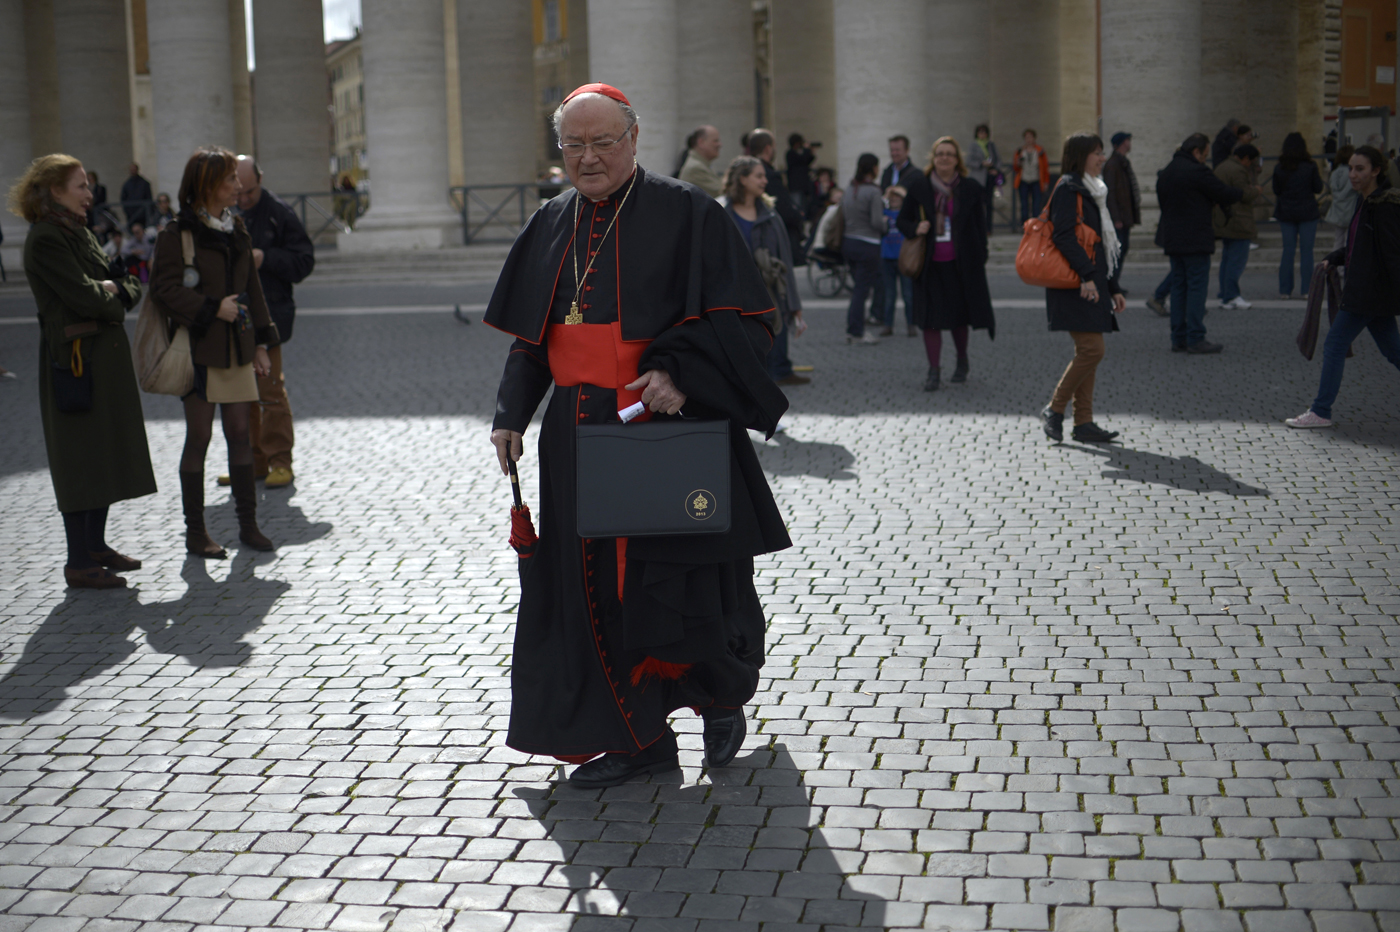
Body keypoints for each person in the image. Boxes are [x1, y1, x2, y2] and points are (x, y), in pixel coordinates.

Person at [484, 83, 791, 788]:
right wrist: (510, 414)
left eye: (603, 142)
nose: (588, 158)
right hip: (576, 433)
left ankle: (718, 701)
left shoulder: (689, 212)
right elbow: (533, 341)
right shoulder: (551, 220)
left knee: (680, 584)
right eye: (574, 145)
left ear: (633, 138)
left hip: (658, 426)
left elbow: (746, 323)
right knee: (595, 590)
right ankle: (636, 736)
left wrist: (681, 375)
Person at [9, 154, 155, 588]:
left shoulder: (79, 231)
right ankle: (78, 560)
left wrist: (115, 287)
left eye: (88, 186)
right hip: (74, 361)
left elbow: (124, 278)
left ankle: (96, 546)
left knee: (104, 449)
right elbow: (89, 297)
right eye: (80, 186)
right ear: (54, 190)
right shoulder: (47, 239)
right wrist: (113, 291)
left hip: (101, 357)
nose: (90, 194)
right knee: (79, 456)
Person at [149, 147, 278, 558]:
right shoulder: (177, 233)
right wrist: (211, 308)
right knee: (199, 439)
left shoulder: (236, 227)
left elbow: (252, 289)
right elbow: (164, 290)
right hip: (199, 349)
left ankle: (248, 525)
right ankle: (195, 532)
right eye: (228, 180)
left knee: (240, 434)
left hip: (238, 347)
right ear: (208, 186)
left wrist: (262, 342)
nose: (237, 185)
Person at [208, 156, 314, 491]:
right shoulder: (225, 213)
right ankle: (252, 460)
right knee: (241, 392)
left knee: (269, 391)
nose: (243, 197)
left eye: (249, 191)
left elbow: (304, 260)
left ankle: (280, 460)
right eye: (237, 190)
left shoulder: (279, 212)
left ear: (259, 180)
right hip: (233, 315)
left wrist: (266, 257)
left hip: (270, 313)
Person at [1285, 145, 1400, 429]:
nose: (1352, 174)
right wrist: (1334, 258)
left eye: (1360, 169)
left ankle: (1321, 411)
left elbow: (1392, 253)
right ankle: (1320, 411)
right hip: (1372, 293)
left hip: (1368, 293)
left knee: (1335, 344)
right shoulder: (1366, 200)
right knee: (1394, 352)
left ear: (1376, 171)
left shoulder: (1382, 205)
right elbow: (1359, 246)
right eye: (1350, 168)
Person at [1038, 133, 1126, 444]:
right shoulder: (1068, 188)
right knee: (1092, 350)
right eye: (1097, 153)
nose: (1102, 158)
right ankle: (1055, 408)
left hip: (1092, 282)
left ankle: (1084, 422)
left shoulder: (1093, 190)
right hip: (1075, 284)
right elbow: (1064, 236)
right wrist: (1088, 277)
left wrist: (1113, 286)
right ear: (1080, 156)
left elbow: (1099, 244)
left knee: (1088, 351)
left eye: (1102, 153)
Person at [897, 137, 994, 390]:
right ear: (933, 158)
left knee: (959, 318)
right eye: (940, 153)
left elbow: (980, 227)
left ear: (957, 159)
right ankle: (934, 371)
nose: (944, 158)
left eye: (950, 154)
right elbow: (902, 220)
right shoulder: (920, 187)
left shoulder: (970, 187)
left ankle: (962, 361)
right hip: (929, 266)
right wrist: (915, 227)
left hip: (961, 265)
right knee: (931, 320)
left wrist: (981, 255)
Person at [720, 156, 807, 386]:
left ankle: (767, 417)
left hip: (770, 301)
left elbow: (785, 260)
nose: (764, 181)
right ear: (743, 179)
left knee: (769, 363)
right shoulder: (721, 213)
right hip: (736, 304)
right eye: (759, 176)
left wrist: (795, 306)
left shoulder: (771, 215)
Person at [1155, 132, 1243, 353]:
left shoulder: (1167, 171)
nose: (1206, 158)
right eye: (1205, 154)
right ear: (1196, 152)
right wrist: (1243, 192)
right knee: (1196, 288)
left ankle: (1178, 338)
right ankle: (1195, 337)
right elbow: (1224, 193)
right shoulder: (1197, 171)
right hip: (1195, 239)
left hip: (1173, 238)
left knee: (1178, 288)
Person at [841, 153, 887, 344]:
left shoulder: (850, 188)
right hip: (868, 244)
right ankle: (856, 330)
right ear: (873, 168)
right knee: (862, 290)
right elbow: (877, 222)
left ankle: (855, 328)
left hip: (849, 242)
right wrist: (886, 224)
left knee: (857, 290)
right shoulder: (873, 192)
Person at [1272, 132, 1324, 299]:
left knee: (1288, 251)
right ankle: (1307, 290)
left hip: (1287, 212)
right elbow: (1318, 188)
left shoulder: (1279, 167)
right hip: (1307, 211)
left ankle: (1285, 290)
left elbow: (1276, 190)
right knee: (1307, 251)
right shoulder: (1310, 166)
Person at [1212, 144, 1262, 309]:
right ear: (1246, 158)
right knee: (1236, 261)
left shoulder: (1222, 166)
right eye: (1251, 162)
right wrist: (1256, 190)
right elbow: (1244, 194)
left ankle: (1225, 294)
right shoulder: (1238, 171)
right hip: (1238, 220)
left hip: (1224, 219)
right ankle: (1231, 295)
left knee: (1227, 260)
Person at [745, 129, 806, 264]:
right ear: (768, 148)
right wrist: (798, 216)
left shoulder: (750, 172)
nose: (763, 181)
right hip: (770, 238)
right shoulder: (770, 175)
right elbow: (783, 209)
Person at [879, 185, 916, 337]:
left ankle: (911, 324)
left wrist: (904, 193)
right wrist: (886, 194)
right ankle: (888, 325)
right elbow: (878, 203)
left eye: (897, 197)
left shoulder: (906, 214)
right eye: (892, 197)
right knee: (889, 295)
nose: (894, 199)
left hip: (904, 258)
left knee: (908, 294)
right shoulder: (883, 213)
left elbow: (913, 206)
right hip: (887, 258)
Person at [1103, 132, 1140, 271]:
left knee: (1123, 248)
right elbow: (1110, 192)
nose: (1129, 143)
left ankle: (1114, 284)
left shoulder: (1122, 162)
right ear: (1121, 144)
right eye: (1127, 140)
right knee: (1118, 250)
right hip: (1119, 217)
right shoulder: (1113, 165)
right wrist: (1116, 217)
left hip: (1124, 215)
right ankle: (1112, 284)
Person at [964, 124, 1001, 232]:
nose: (982, 134)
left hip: (989, 177)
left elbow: (998, 159)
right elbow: (968, 161)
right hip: (977, 178)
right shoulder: (973, 146)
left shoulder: (991, 145)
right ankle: (977, 227)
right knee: (978, 204)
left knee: (989, 204)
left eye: (984, 132)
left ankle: (988, 228)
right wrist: (981, 163)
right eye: (980, 132)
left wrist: (996, 169)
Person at [1325, 145, 1358, 250]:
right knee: (1350, 239)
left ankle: (1336, 263)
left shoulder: (1334, 173)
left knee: (1338, 239)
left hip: (1337, 210)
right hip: (1351, 209)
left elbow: (1332, 189)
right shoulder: (1353, 174)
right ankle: (1347, 263)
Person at [1013, 129, 1050, 223]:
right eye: (1027, 137)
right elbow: (1016, 168)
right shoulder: (1020, 151)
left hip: (1036, 180)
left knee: (1036, 205)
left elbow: (1045, 167)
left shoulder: (1040, 151)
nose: (1029, 139)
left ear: (1034, 138)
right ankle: (1025, 226)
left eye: (1030, 137)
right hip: (1024, 180)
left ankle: (1036, 225)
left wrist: (1046, 181)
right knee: (1024, 205)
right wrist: (1018, 162)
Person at [677, 125, 723, 199]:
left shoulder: (702, 164)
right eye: (715, 141)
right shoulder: (695, 168)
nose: (720, 145)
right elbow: (722, 192)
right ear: (701, 142)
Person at [785, 133, 819, 212]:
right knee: (797, 207)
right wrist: (807, 150)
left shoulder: (801, 153)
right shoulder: (790, 154)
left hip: (804, 186)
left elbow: (807, 161)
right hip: (796, 186)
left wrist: (811, 152)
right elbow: (801, 160)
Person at [120, 162, 153, 228]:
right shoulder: (126, 184)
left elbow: (149, 198)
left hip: (143, 214)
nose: (133, 171)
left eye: (134, 169)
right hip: (131, 215)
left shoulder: (144, 183)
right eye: (131, 169)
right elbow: (123, 199)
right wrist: (127, 211)